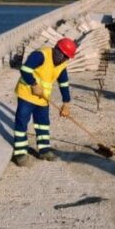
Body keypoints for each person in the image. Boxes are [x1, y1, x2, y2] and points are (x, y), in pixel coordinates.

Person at [11, 37, 77, 166]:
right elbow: (25, 69)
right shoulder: (40, 55)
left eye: (67, 58)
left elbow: (63, 83)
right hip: (27, 95)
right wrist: (34, 84)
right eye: (64, 56)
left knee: (43, 124)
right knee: (22, 123)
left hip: (43, 99)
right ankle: (20, 153)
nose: (65, 60)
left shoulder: (61, 64)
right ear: (57, 50)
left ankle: (44, 150)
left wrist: (66, 103)